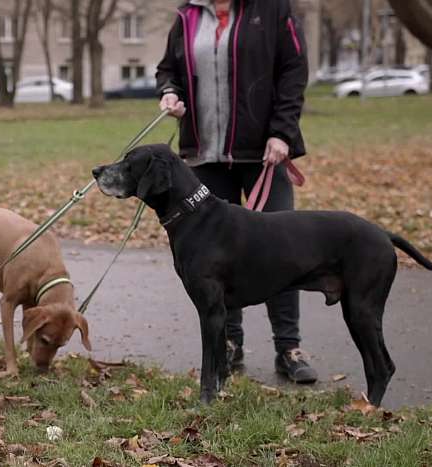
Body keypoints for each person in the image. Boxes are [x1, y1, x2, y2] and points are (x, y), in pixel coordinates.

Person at [156, 0, 317, 383]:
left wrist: (283, 132)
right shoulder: (188, 15)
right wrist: (170, 92)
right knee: (215, 259)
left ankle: (288, 347)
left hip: (264, 153)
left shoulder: (273, 9)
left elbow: (293, 71)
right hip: (205, 155)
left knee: (281, 250)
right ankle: (229, 344)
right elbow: (169, 69)